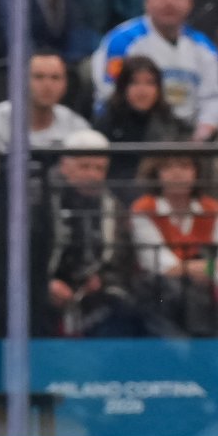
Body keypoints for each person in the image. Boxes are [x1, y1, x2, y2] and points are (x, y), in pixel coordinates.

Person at [91, 0, 218, 139]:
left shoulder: (204, 47)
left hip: (190, 136)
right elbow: (110, 93)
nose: (169, 2)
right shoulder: (122, 40)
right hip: (134, 132)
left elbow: (213, 98)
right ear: (147, 1)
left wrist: (201, 136)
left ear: (190, 3)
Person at [34, 130, 137, 335]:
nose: (92, 175)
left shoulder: (112, 205)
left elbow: (123, 258)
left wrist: (102, 279)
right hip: (44, 287)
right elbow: (24, 254)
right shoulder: (38, 201)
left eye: (99, 168)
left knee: (125, 309)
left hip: (95, 290)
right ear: (65, 166)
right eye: (84, 166)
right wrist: (46, 283)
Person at [0, 50, 89, 195]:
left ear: (65, 84)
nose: (47, 85)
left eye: (55, 78)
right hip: (3, 202)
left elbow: (89, 184)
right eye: (38, 77)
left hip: (60, 203)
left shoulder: (77, 126)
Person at [129, 149, 218, 332]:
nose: (177, 173)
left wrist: (204, 269)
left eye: (185, 166)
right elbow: (163, 267)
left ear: (197, 172)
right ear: (156, 174)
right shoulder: (144, 208)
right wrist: (208, 267)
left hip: (208, 285)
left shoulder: (212, 208)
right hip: (162, 290)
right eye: (168, 167)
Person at [100, 53, 194, 142]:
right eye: (134, 82)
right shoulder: (107, 123)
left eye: (149, 82)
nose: (142, 90)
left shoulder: (174, 127)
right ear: (123, 87)